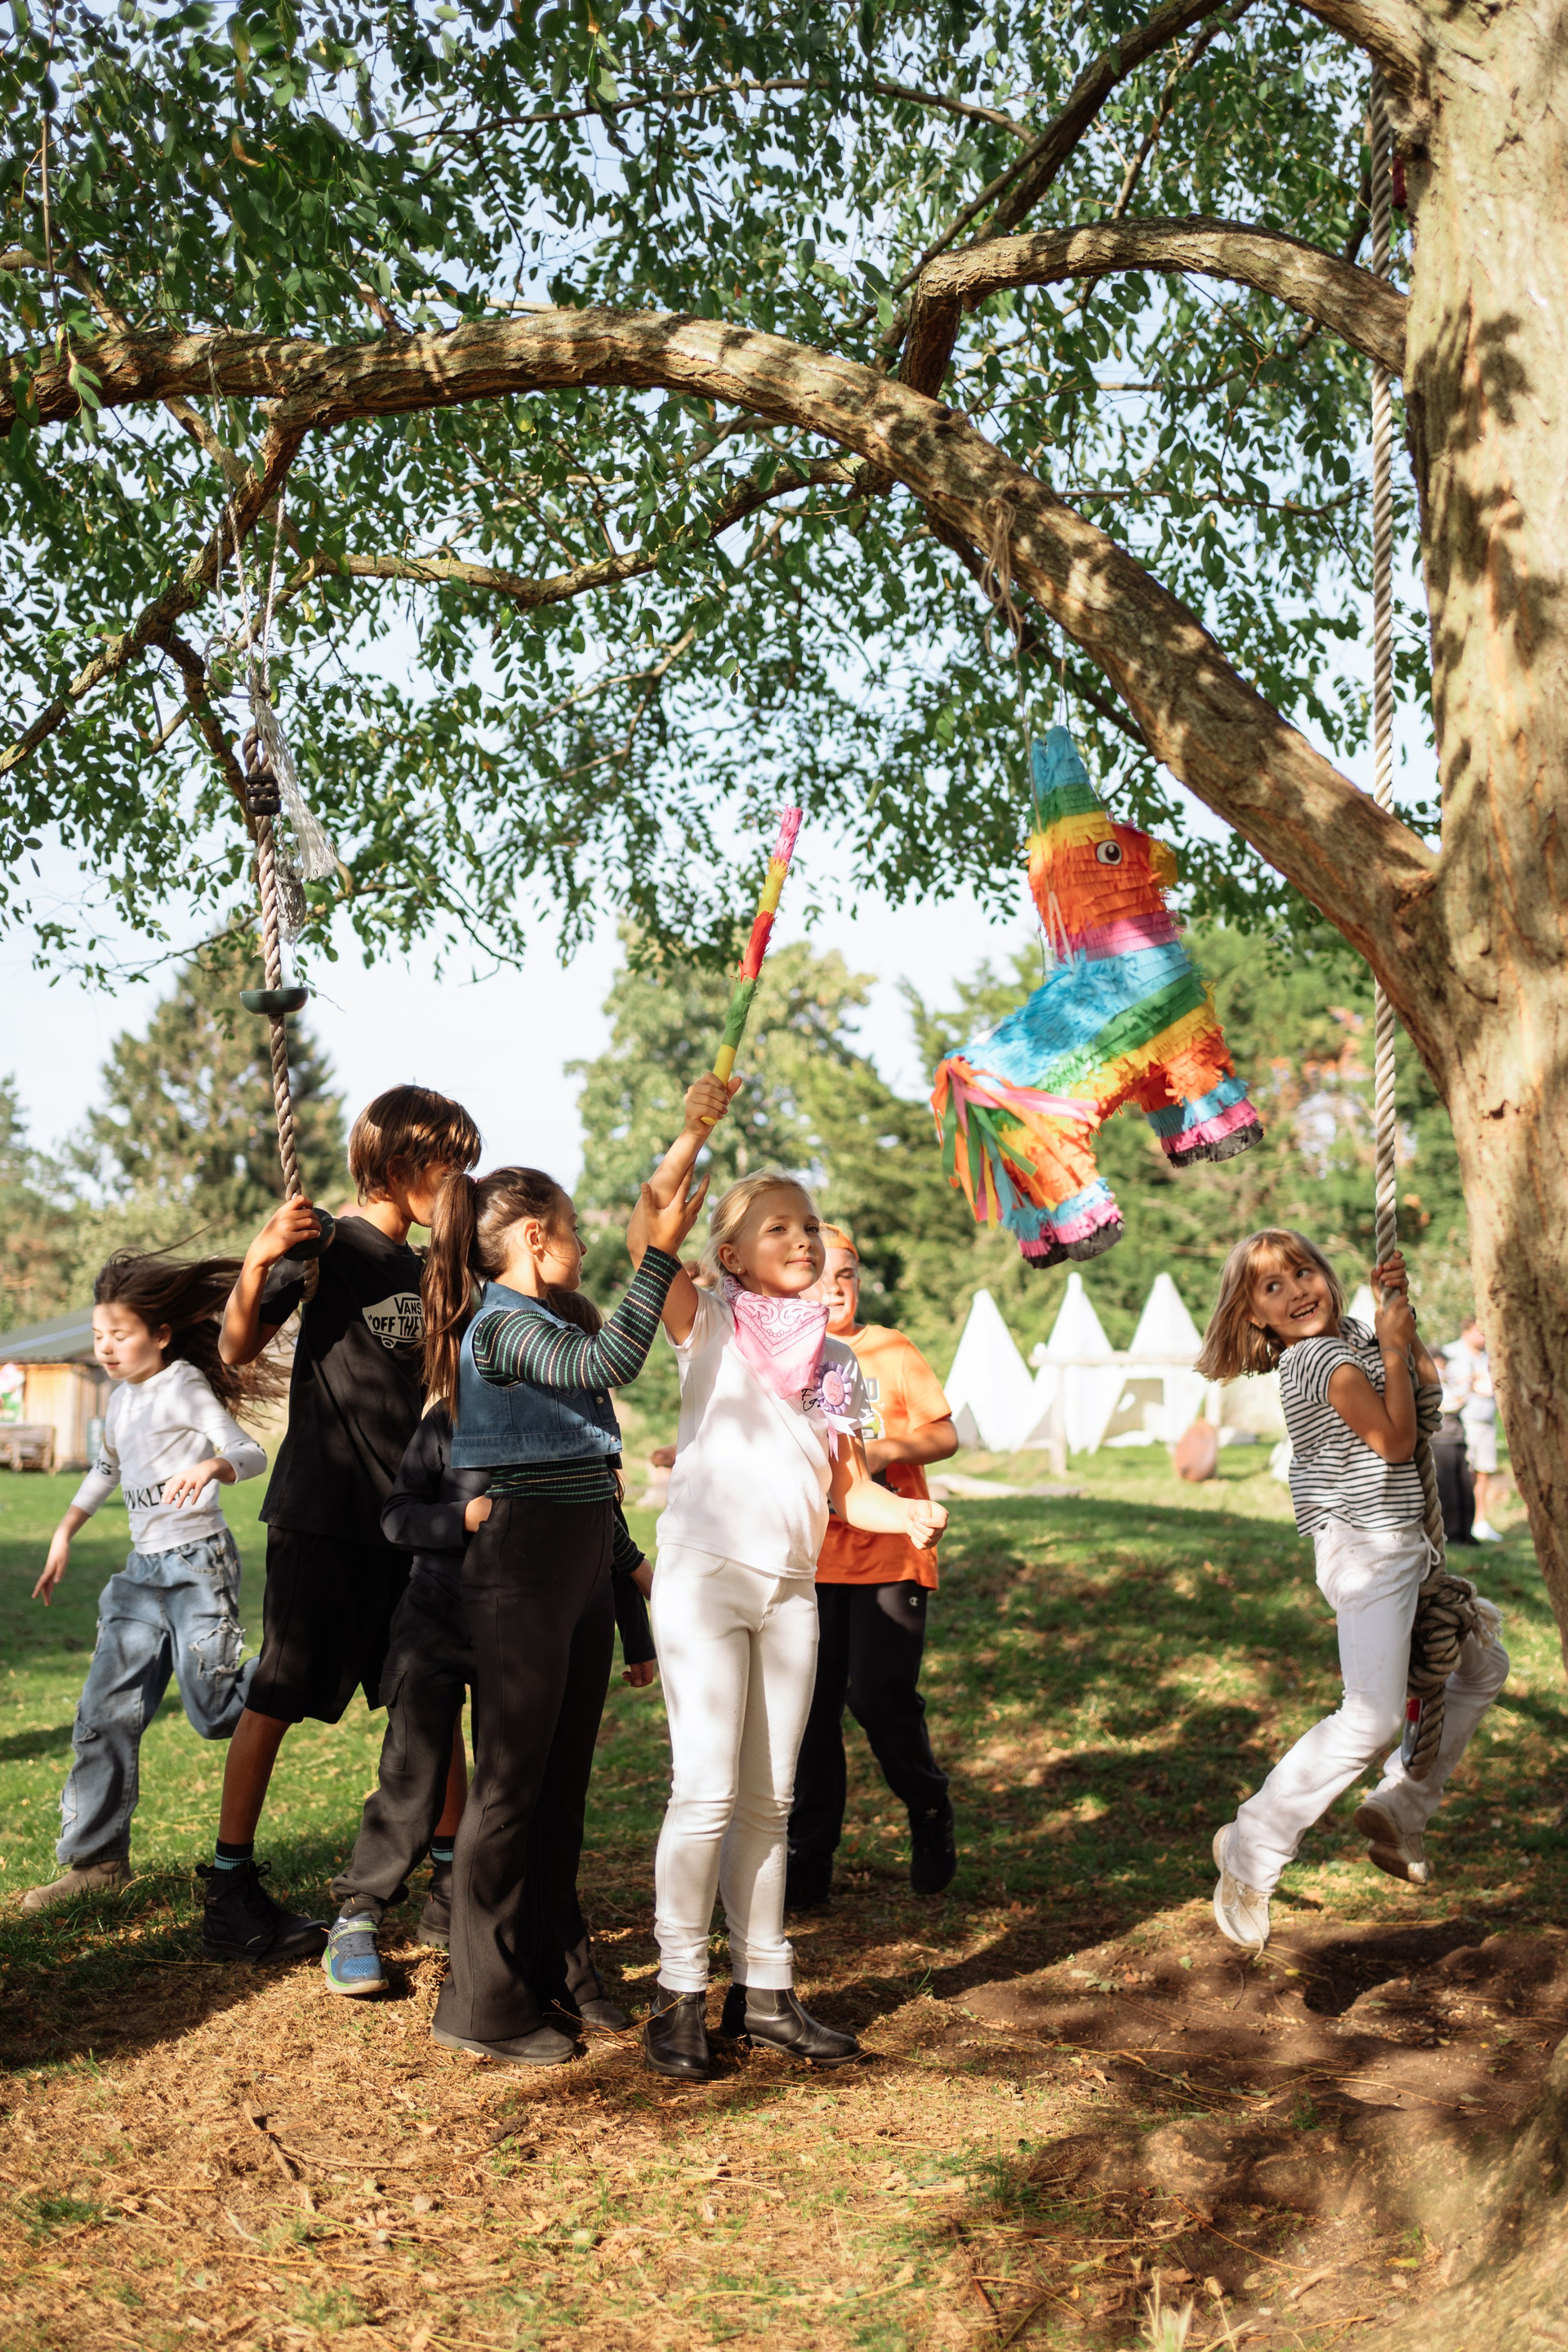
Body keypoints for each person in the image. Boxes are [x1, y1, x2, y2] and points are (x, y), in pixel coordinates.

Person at [635, 1147, 948, 2084]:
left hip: (790, 1594)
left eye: (808, 1224)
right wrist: (690, 1138)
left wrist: (909, 1515)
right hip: (705, 1581)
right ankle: (677, 1995)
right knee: (705, 1795)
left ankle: (764, 1993)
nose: (802, 1238)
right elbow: (647, 1233)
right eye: (777, 1226)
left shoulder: (839, 1360)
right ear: (732, 1255)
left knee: (772, 1801)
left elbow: (851, 1492)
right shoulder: (710, 1321)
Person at [417, 1111, 714, 2068]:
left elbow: (584, 1462)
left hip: (578, 1560)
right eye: (577, 1231)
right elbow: (609, 1360)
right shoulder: (503, 1327)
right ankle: (482, 2002)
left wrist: (628, 1568)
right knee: (510, 1787)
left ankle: (558, 1964)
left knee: (561, 1787)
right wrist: (659, 1256)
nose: (585, 1246)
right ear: (535, 1237)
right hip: (524, 1567)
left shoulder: (540, 1318)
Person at [203, 1084, 482, 1964]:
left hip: (411, 1524)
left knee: (432, 1692)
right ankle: (229, 1885)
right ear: (399, 1166)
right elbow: (235, 1348)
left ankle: (452, 1880)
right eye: (450, 1166)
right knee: (279, 1691)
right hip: (322, 1514)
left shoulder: (434, 1268)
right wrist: (258, 1260)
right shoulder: (323, 1242)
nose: (461, 1184)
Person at [1196, 1230, 1508, 1952]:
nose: (1296, 1291)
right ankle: (1251, 1848)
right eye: (1272, 1287)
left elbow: (1426, 1403)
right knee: (1369, 1717)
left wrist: (1398, 1322)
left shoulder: (1358, 1337)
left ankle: (1404, 1804)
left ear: (1328, 1277)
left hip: (1402, 1544)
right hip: (1366, 1549)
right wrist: (1391, 1347)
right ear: (1255, 1316)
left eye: (1303, 1272)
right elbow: (1395, 1444)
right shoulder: (1317, 1359)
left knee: (1483, 1667)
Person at [318, 1376, 659, 2011]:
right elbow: (396, 1515)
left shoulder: (569, 1430)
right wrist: (461, 1518)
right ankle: (358, 1911)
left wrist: (636, 1637)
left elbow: (600, 1536)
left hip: (522, 1633)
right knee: (414, 1777)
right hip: (435, 1624)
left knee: (509, 1789)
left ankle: (471, 1914)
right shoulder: (450, 1419)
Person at [21, 1251, 274, 1912]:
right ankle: (97, 1863)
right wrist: (64, 1532)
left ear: (160, 1334)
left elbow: (249, 1452)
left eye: (119, 1334)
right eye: (98, 1335)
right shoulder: (119, 1398)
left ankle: (297, 1666)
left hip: (195, 1565)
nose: (105, 1348)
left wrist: (213, 1467)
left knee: (215, 1713)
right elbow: (106, 1469)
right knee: (102, 1713)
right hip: (140, 1575)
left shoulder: (183, 1384)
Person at [786, 1226, 959, 1909]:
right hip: (813, 1556)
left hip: (891, 1551)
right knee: (812, 1711)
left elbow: (945, 1433)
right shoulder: (783, 1353)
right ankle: (809, 1859)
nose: (834, 1288)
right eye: (821, 1274)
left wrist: (883, 1453)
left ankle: (928, 1803)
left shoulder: (889, 1348)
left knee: (878, 1697)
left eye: (847, 1275)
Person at [1444, 1316, 1503, 1541]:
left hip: (1486, 1420)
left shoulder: (1490, 1355)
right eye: (1479, 1331)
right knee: (1465, 1474)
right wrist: (1468, 1382)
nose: (1483, 1336)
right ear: (1466, 1331)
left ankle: (1481, 1520)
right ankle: (1463, 1522)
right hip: (1461, 1424)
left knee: (1484, 1471)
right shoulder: (1450, 1353)